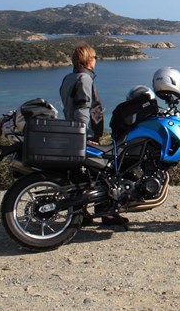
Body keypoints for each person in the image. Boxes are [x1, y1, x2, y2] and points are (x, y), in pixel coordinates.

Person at [59, 44, 126, 227]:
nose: (96, 60)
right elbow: (83, 108)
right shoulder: (84, 79)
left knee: (82, 175)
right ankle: (107, 213)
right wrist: (83, 134)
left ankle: (82, 214)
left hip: (73, 131)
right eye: (95, 57)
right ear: (88, 60)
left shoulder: (68, 78)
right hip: (84, 134)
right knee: (104, 171)